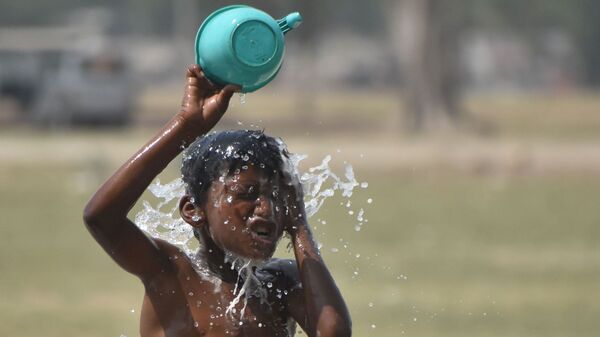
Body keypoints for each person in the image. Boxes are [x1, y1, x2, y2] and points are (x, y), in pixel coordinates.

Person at [83, 65, 351, 337]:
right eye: (247, 194)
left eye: (277, 197)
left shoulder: (281, 282)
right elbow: (102, 218)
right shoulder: (170, 273)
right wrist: (185, 126)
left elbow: (333, 334)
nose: (267, 208)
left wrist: (299, 226)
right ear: (193, 210)